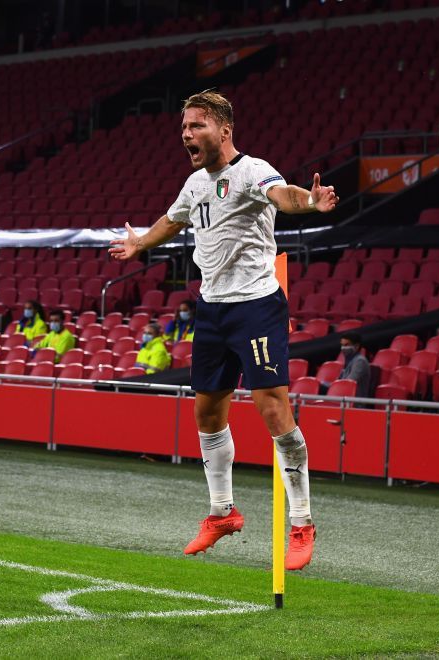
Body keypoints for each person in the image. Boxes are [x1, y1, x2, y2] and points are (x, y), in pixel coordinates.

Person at [109, 90, 338, 570]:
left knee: (273, 412)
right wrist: (138, 245)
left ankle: (301, 521)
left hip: (256, 305)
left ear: (224, 130)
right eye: (185, 127)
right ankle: (222, 512)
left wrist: (310, 202)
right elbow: (171, 222)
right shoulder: (195, 184)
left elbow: (285, 196)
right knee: (207, 415)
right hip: (211, 308)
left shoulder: (253, 171)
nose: (187, 134)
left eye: (197, 126)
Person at [336, 332, 371, 398]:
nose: (343, 348)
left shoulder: (360, 361)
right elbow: (340, 380)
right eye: (342, 345)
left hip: (354, 401)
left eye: (346, 345)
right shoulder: (349, 360)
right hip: (343, 396)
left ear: (356, 346)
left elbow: (349, 383)